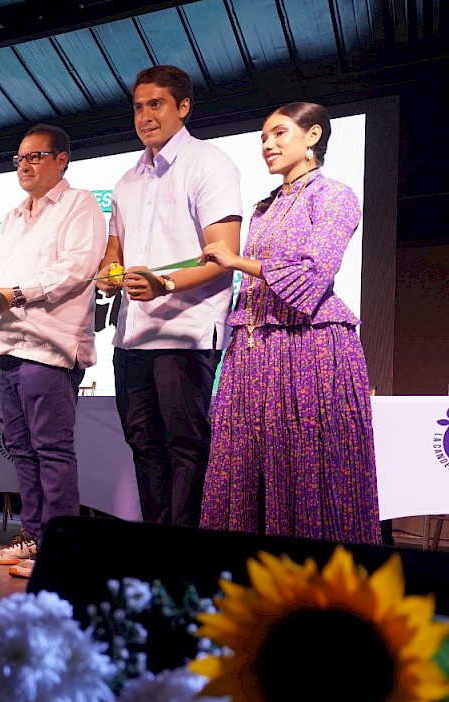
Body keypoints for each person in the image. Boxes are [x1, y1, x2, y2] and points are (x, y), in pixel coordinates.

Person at [197, 103, 380, 544]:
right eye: (263, 138)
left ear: (313, 136)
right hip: (255, 350)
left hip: (309, 347)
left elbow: (316, 274)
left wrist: (238, 261)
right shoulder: (264, 207)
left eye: (279, 134)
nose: (267, 145)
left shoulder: (335, 195)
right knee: (241, 459)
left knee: (309, 459)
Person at [95, 65, 243, 528]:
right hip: (132, 336)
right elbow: (114, 249)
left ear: (183, 106)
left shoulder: (210, 164)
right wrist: (108, 273)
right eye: (138, 107)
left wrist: (167, 283)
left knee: (187, 447)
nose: (145, 116)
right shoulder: (126, 180)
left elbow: (224, 256)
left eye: (155, 104)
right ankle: (154, 549)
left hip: (186, 333)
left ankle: (182, 557)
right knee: (143, 443)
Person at [0, 124, 106, 578]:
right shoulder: (15, 215)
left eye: (35, 156)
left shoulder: (80, 205)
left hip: (49, 345)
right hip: (5, 345)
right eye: (19, 158)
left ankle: (58, 544)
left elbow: (78, 268)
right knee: (22, 449)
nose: (24, 165)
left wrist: (18, 293)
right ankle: (33, 534)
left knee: (51, 449)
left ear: (61, 159)